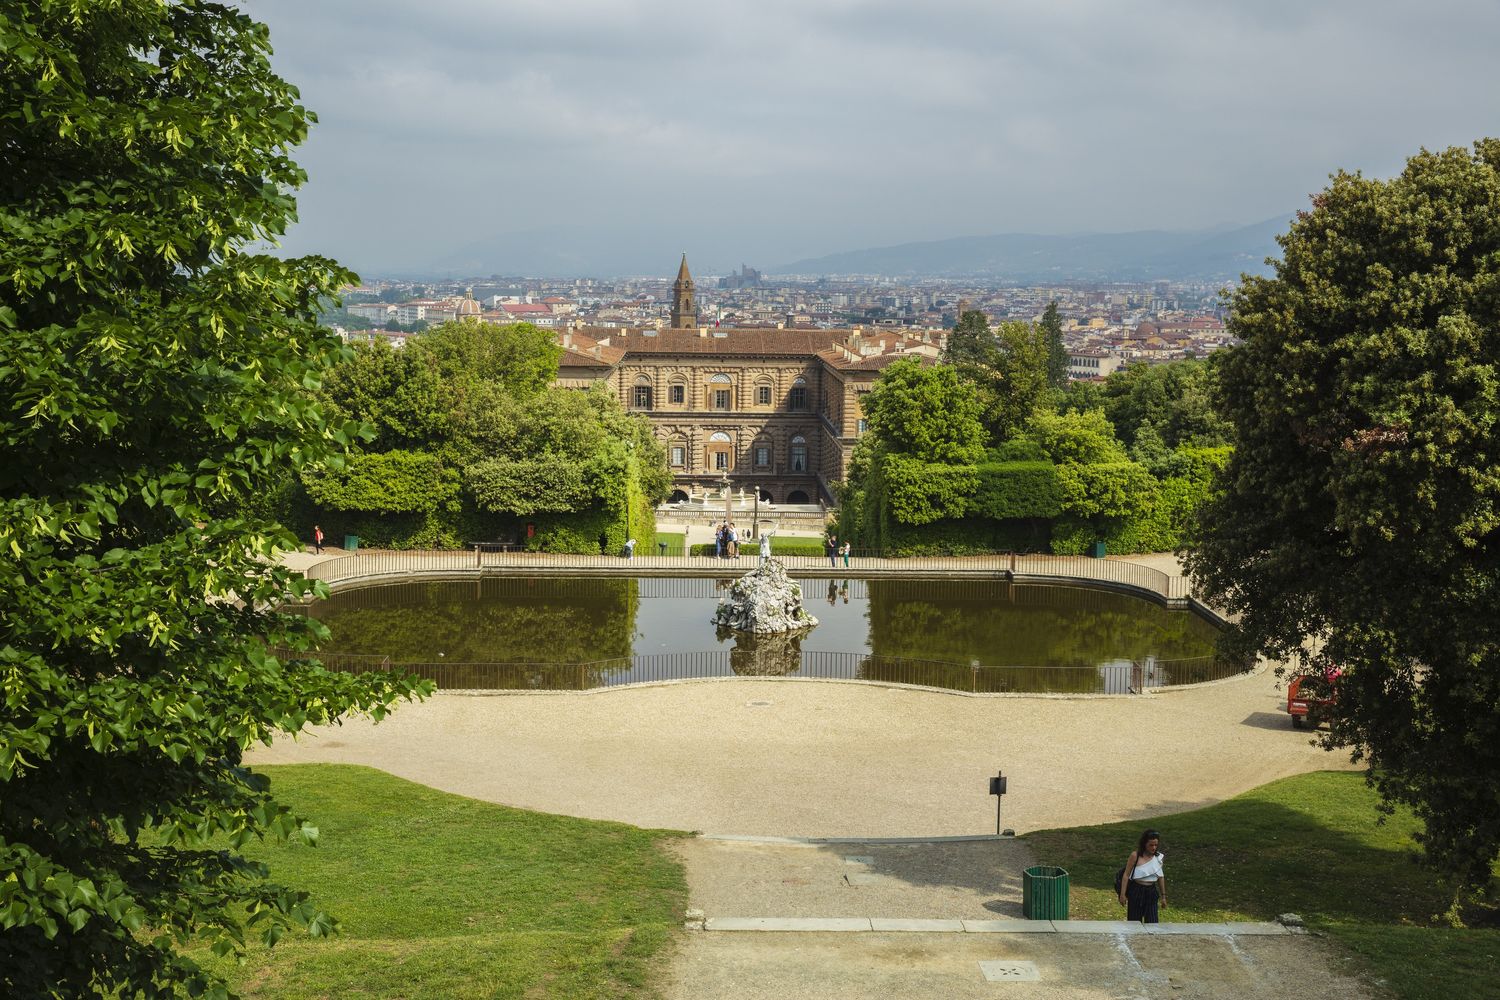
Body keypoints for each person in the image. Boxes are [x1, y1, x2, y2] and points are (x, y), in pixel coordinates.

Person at [1118, 829, 1167, 923]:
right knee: (1134, 923)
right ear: (1144, 844)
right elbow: (1126, 875)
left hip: (1151, 892)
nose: (1154, 848)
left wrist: (1163, 897)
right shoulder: (1135, 856)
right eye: (1151, 845)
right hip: (1136, 891)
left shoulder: (1159, 857)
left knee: (1152, 922)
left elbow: (1160, 877)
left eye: (1156, 845)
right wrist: (1122, 895)